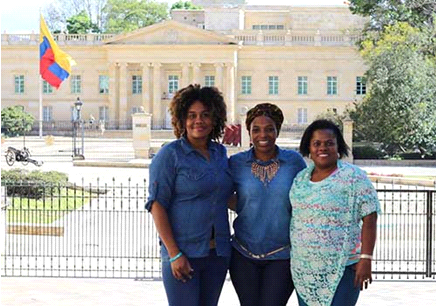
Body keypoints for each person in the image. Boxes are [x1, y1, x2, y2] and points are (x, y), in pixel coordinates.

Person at [145, 84, 233, 306]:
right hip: (184, 254)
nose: (198, 121)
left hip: (217, 254)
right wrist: (174, 254)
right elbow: (157, 205)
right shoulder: (169, 155)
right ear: (182, 119)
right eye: (191, 116)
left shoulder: (219, 153)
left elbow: (224, 196)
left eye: (205, 115)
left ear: (215, 119)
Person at [289, 119, 381, 306]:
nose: (323, 148)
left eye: (329, 143)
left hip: (343, 268)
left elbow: (370, 216)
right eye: (317, 144)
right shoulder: (301, 179)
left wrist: (366, 258)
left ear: (338, 147)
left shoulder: (354, 177)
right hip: (304, 272)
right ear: (309, 147)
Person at [228, 103, 307, 306]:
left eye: (269, 129)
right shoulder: (236, 163)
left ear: (277, 131)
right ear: (249, 132)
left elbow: (305, 198)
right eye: (256, 129)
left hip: (282, 254)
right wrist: (250, 206)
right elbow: (222, 195)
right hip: (243, 253)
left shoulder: (294, 162)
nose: (263, 134)